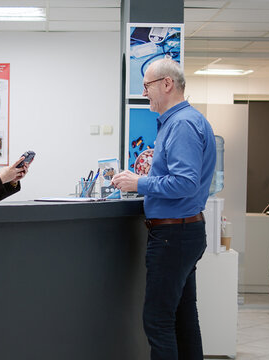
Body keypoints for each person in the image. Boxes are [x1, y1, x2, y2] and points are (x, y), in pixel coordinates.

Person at [112, 58, 216, 360]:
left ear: (167, 84)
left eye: (147, 86)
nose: (145, 93)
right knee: (183, 320)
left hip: (174, 234)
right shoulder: (185, 121)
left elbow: (184, 183)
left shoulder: (182, 124)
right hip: (184, 232)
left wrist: (139, 184)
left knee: (158, 321)